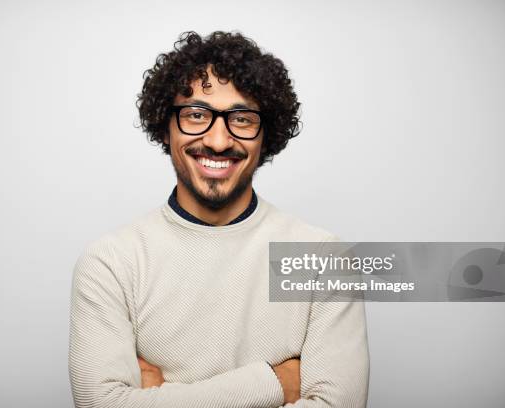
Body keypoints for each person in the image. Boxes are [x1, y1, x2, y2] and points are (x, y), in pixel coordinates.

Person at [68, 30, 369, 407]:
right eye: (196, 115)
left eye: (241, 119)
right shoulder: (110, 263)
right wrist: (275, 383)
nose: (218, 141)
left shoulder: (325, 259)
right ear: (166, 126)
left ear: (267, 135)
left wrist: (162, 398)